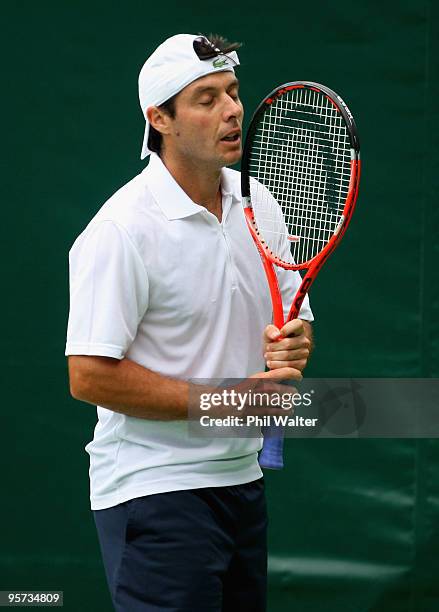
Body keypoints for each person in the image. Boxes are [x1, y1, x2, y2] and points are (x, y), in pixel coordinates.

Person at [66, 33, 313, 612]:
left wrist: (295, 344)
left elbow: (294, 324)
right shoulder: (122, 229)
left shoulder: (262, 205)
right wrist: (226, 403)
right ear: (161, 119)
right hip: (154, 490)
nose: (231, 110)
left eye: (232, 91)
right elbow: (90, 377)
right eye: (205, 99)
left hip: (241, 482)